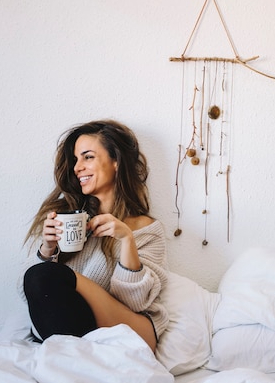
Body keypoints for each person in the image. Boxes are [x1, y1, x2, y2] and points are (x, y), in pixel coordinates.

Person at [22, 119, 168, 352]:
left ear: (116, 161)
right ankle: (79, 364)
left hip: (132, 330)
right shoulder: (65, 217)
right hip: (79, 329)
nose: (77, 167)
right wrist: (48, 249)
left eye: (87, 157)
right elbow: (33, 294)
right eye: (76, 160)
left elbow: (136, 303)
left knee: (45, 276)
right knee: (40, 276)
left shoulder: (146, 229)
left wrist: (126, 239)